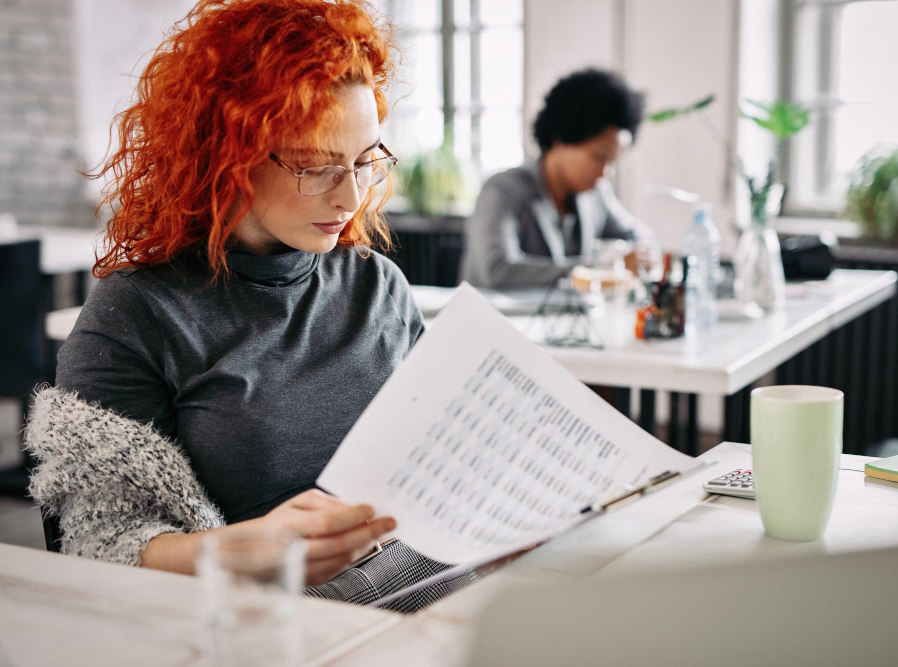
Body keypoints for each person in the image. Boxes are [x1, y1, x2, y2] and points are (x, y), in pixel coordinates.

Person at [26, 0, 474, 612]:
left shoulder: (379, 287)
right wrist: (229, 551)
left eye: (366, 161)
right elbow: (94, 542)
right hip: (267, 621)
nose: (350, 196)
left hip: (434, 589)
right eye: (316, 167)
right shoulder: (136, 314)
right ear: (226, 156)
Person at [460, 68, 656, 291]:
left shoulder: (595, 195)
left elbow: (639, 236)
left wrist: (643, 255)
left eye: (613, 161)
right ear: (561, 139)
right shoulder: (503, 190)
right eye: (599, 157)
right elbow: (498, 271)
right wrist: (600, 268)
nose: (605, 172)